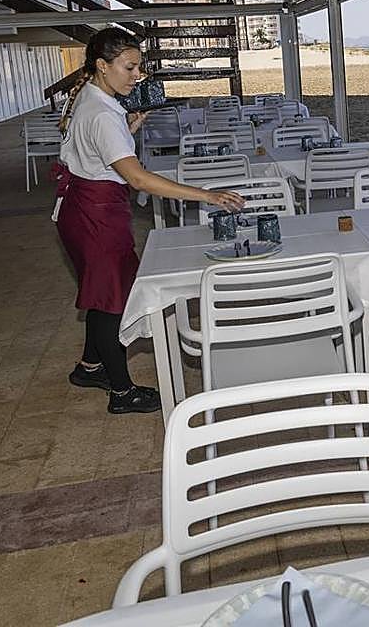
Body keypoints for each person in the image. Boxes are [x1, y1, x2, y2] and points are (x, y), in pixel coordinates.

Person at [54, 28, 244, 414]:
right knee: (112, 303)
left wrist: (127, 130)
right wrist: (206, 195)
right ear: (102, 66)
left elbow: (92, 150)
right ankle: (122, 393)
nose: (136, 75)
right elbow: (138, 178)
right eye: (129, 67)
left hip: (81, 209)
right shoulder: (102, 114)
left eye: (138, 66)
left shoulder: (93, 100)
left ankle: (90, 368)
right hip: (96, 216)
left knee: (100, 293)